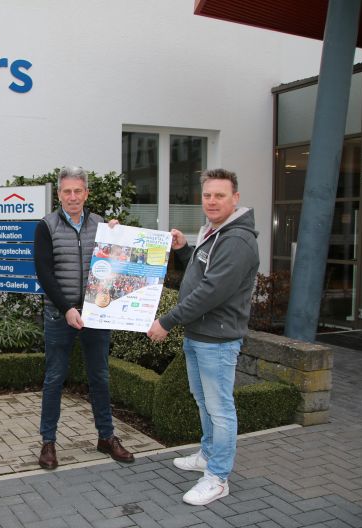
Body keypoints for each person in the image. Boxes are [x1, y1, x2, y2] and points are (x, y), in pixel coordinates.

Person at [147, 168, 259, 506]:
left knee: (220, 408)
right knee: (203, 401)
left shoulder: (237, 239)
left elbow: (211, 291)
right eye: (207, 195)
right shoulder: (216, 231)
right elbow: (202, 271)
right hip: (200, 334)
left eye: (219, 195)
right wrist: (184, 250)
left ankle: (218, 477)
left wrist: (166, 321)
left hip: (218, 340)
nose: (211, 201)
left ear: (235, 199)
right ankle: (208, 455)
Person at [33, 166, 135, 470]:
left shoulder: (101, 224)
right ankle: (48, 442)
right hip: (58, 315)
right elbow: (44, 274)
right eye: (67, 191)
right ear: (59, 194)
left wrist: (119, 236)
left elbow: (118, 263)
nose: (73, 196)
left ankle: (106, 437)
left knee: (100, 377)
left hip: (95, 315)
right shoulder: (46, 226)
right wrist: (67, 309)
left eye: (78, 191)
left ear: (86, 193)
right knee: (54, 379)